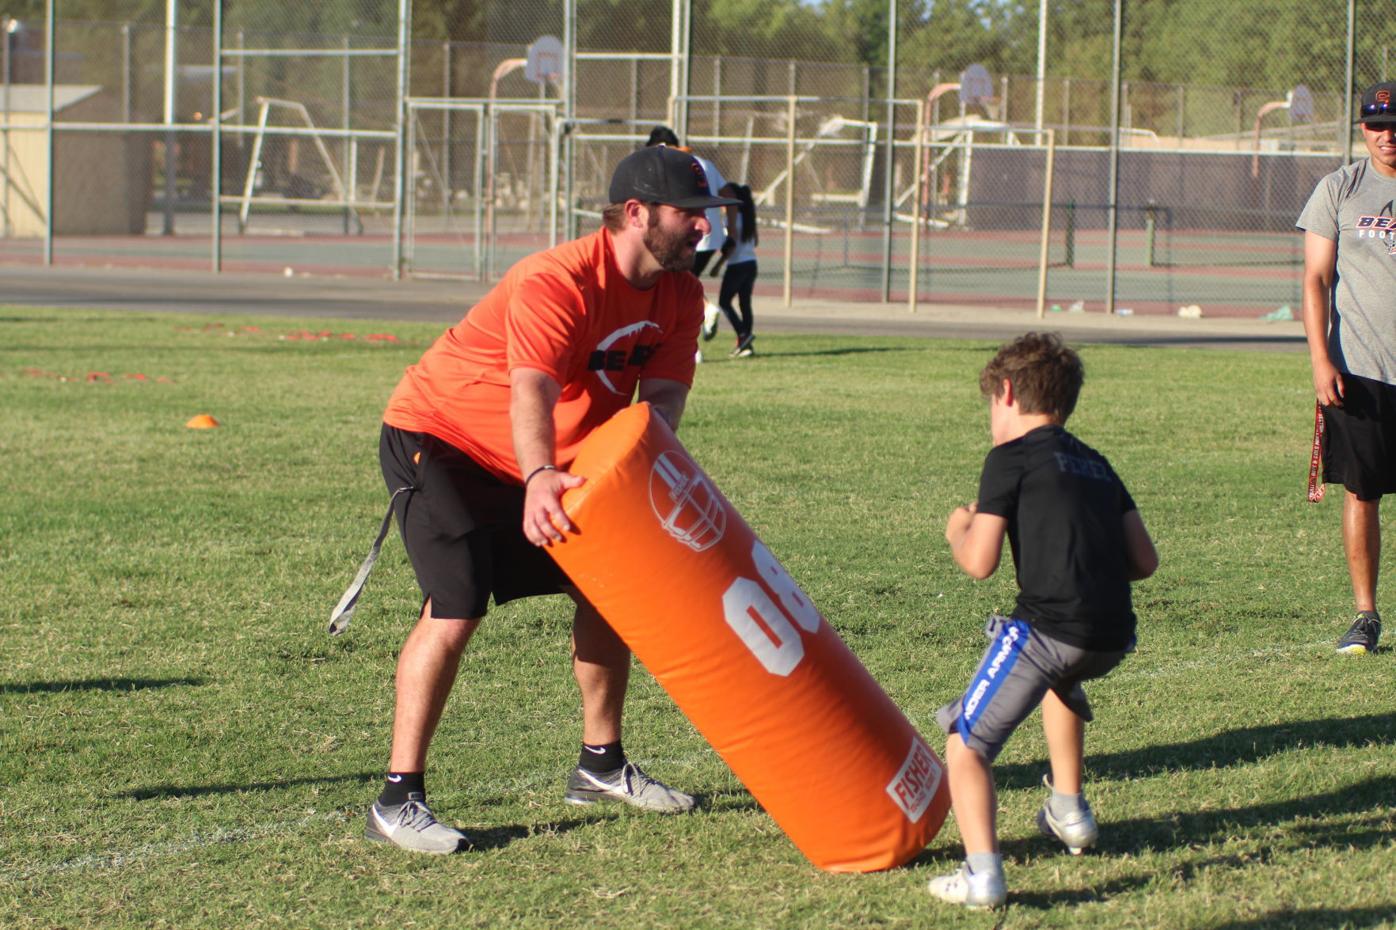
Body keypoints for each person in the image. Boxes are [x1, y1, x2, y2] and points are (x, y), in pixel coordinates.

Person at [363, 145, 739, 854]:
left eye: (705, 217)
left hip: (548, 460)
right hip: (445, 439)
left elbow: (657, 406)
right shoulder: (556, 278)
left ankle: (600, 765)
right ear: (635, 214)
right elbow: (530, 386)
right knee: (457, 601)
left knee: (611, 586)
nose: (702, 230)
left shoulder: (683, 296)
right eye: (688, 215)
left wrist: (642, 491)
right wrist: (538, 478)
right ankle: (397, 798)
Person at [930, 332, 1158, 909]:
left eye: (991, 405)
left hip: (1049, 632)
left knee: (966, 744)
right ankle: (1069, 809)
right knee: (1060, 680)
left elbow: (980, 562)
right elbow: (1144, 561)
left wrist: (958, 527)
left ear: (1007, 391)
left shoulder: (1009, 457)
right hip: (1110, 635)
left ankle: (983, 875)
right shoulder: (1096, 462)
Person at [1298, 80, 1396, 656]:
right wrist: (1320, 358)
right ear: (1362, 128)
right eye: (1377, 126)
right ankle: (1366, 615)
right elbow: (1315, 278)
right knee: (1362, 492)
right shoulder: (1340, 189)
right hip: (1359, 367)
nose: (1388, 137)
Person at [644, 125, 730, 277]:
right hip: (710, 239)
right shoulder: (705, 164)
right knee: (684, 284)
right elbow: (727, 193)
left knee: (680, 283)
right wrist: (732, 229)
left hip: (685, 237)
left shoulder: (668, 165)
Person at [711, 182, 758, 358]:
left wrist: (717, 265)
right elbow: (756, 242)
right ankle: (746, 345)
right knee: (745, 303)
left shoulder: (732, 219)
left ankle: (743, 335)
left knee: (724, 302)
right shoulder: (749, 217)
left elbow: (731, 245)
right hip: (751, 263)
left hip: (737, 265)